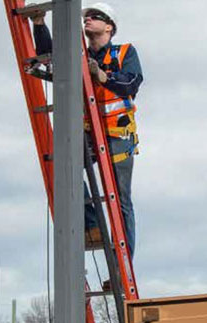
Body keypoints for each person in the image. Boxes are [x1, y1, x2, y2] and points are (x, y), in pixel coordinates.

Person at [31, 3, 143, 256]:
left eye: (96, 17)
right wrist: (39, 25)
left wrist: (102, 76)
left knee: (120, 200)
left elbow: (132, 82)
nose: (88, 20)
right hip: (89, 133)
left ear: (109, 27)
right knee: (65, 169)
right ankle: (92, 225)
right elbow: (51, 58)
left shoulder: (124, 52)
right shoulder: (78, 55)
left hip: (117, 135)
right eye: (87, 17)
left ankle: (121, 261)